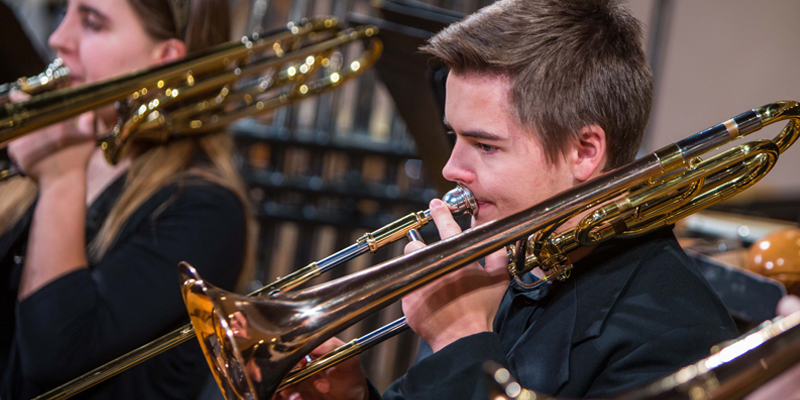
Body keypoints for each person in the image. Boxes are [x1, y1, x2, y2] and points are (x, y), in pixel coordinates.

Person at [276, 0, 738, 399]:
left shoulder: (678, 339)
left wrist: (462, 341)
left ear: (584, 151)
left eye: (486, 145)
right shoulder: (507, 261)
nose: (450, 169)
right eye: (453, 136)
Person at [0, 0, 256, 399]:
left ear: (164, 60)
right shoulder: (54, 152)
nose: (57, 39)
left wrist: (61, 180)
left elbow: (55, 359)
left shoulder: (205, 210)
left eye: (92, 22)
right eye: (63, 13)